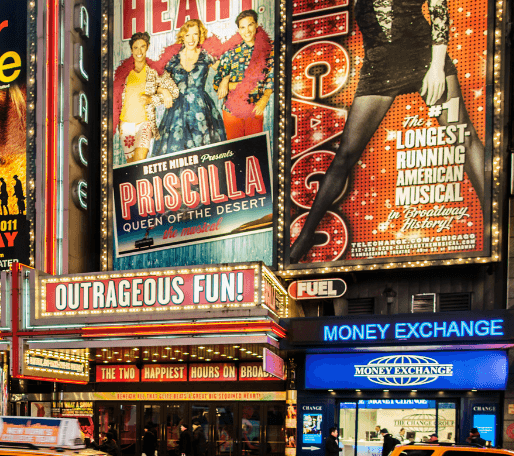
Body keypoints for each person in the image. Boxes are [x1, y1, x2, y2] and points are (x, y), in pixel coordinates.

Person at [289, 0, 485, 263]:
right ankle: (304, 238)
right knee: (345, 155)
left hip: (424, 57)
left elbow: (439, 10)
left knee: (465, 137)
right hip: (379, 69)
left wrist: (437, 67)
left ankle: (494, 219)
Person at [151, 19, 225, 157]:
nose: (191, 39)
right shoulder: (172, 59)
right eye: (187, 35)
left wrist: (225, 81)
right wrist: (165, 91)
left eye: (195, 34)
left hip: (201, 111)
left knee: (205, 155)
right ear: (182, 37)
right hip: (176, 113)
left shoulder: (206, 56)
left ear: (200, 35)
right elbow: (155, 83)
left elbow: (225, 69)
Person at [114, 31, 179, 163]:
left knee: (139, 161)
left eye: (142, 46)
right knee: (131, 165)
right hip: (126, 125)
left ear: (147, 47)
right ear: (131, 49)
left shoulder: (155, 70)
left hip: (145, 123)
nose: (139, 51)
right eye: (135, 47)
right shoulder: (123, 72)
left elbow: (174, 91)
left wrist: (153, 98)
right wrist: (160, 90)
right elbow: (115, 98)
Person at [212, 10, 274, 139]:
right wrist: (226, 81)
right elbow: (217, 83)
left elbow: (272, 77)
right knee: (235, 152)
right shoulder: (231, 52)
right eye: (243, 27)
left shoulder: (269, 49)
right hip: (232, 110)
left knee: (255, 151)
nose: (247, 31)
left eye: (250, 25)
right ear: (239, 30)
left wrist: (265, 98)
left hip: (255, 107)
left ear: (257, 25)